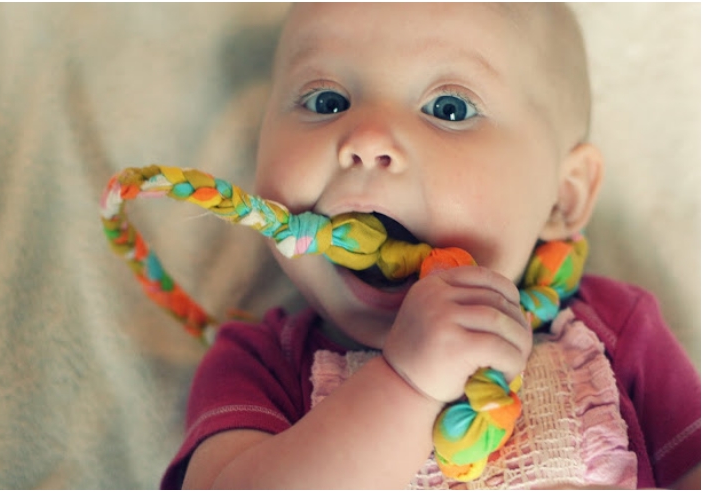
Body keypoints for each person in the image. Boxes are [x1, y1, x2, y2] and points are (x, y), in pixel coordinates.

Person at [161, 3, 701, 489]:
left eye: (449, 109)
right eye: (327, 100)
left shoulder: (614, 332)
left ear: (563, 197)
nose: (367, 140)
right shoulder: (259, 365)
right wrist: (405, 386)